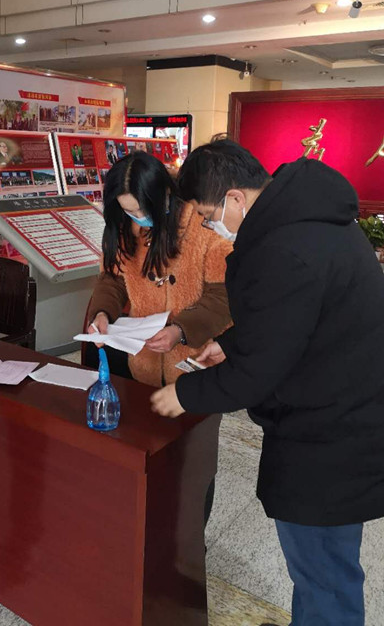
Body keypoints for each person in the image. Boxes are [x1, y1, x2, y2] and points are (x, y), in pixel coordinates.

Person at [151, 138, 384, 626]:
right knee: (328, 570)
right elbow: (295, 319)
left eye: (209, 215)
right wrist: (231, 343)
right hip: (345, 420)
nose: (212, 226)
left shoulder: (286, 249)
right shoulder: (311, 222)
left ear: (235, 198)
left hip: (328, 440)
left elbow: (256, 375)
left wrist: (184, 393)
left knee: (323, 573)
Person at [87, 151, 232, 388]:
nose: (139, 217)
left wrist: (181, 330)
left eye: (145, 209)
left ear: (165, 194)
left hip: (199, 365)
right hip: (145, 365)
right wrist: (103, 313)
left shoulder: (202, 222)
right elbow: (113, 279)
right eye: (130, 211)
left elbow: (224, 294)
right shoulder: (124, 226)